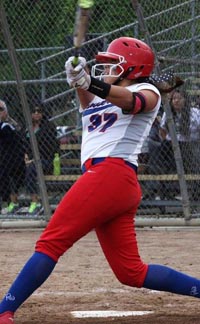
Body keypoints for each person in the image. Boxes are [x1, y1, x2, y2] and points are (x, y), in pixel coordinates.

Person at [1, 37, 200, 324]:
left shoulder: (148, 90)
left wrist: (90, 83)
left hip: (111, 173)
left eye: (111, 64)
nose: (104, 69)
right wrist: (78, 81)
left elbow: (133, 102)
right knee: (132, 272)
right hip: (109, 182)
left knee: (50, 242)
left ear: (130, 68)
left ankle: (4, 310)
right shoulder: (102, 95)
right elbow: (90, 105)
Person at [159, 89, 200, 199]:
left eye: (179, 98)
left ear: (185, 100)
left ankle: (194, 192)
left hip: (190, 144)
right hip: (170, 146)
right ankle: (167, 192)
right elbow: (162, 131)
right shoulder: (168, 112)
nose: (176, 101)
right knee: (158, 147)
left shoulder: (195, 112)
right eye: (174, 99)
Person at [24, 102, 59, 214]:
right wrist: (25, 155)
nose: (36, 114)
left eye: (39, 111)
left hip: (45, 160)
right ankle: (12, 202)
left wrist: (35, 159)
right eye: (34, 112)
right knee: (13, 168)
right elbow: (23, 144)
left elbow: (50, 148)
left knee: (32, 168)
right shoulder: (28, 128)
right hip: (30, 160)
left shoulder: (49, 127)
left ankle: (35, 202)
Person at [0, 99, 26, 214]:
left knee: (4, 171)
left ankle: (10, 202)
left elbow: (17, 148)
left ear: (6, 112)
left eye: (1, 110)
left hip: (12, 162)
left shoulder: (7, 127)